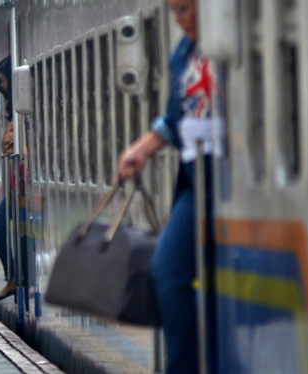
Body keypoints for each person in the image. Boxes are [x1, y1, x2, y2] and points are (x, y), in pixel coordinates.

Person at [116, 0, 216, 372]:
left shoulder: (227, 45)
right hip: (196, 181)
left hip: (229, 177)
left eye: (187, 9)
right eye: (175, 11)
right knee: (167, 270)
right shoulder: (184, 54)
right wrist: (139, 150)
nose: (180, 20)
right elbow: (175, 117)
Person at [0, 57, 18, 301]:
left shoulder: (23, 108)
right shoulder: (13, 110)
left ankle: (14, 280)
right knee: (0, 227)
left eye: (3, 80)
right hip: (15, 182)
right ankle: (14, 279)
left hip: (23, 181)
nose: (2, 85)